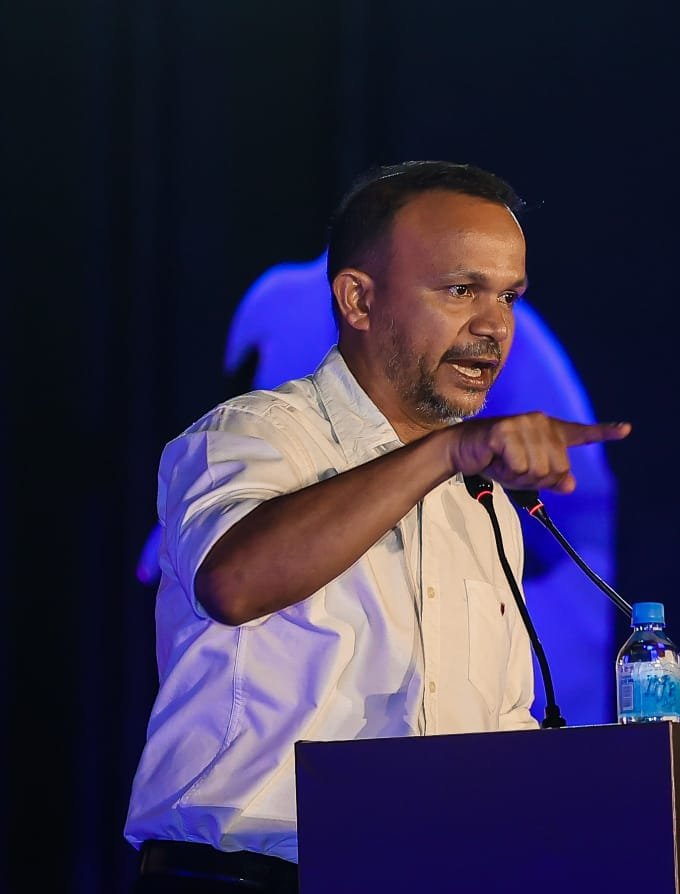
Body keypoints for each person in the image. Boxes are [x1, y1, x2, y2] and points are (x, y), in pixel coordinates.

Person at [124, 160, 632, 892]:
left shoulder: (481, 503)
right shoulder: (252, 436)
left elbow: (493, 729)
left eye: (509, 296)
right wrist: (447, 452)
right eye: (461, 290)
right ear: (358, 300)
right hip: (245, 878)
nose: (494, 326)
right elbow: (233, 584)